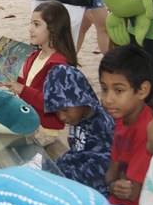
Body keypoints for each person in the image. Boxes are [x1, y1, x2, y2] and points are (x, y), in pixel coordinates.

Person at [99, 44, 153, 205]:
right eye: (104, 89)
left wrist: (115, 185)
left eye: (118, 90)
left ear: (142, 90)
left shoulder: (148, 131)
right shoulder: (123, 118)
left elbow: (133, 192)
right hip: (118, 204)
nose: (108, 99)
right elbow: (112, 172)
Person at [0, 0, 77, 137]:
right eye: (31, 23)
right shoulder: (36, 55)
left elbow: (53, 102)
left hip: (44, 131)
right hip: (29, 120)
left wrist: (22, 89)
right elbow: (33, 86)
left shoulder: (58, 65)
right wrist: (15, 80)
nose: (30, 29)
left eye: (36, 24)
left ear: (53, 28)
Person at [42, 64, 113, 196]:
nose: (62, 117)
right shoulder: (77, 119)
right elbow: (76, 153)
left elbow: (99, 169)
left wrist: (61, 175)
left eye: (64, 110)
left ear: (81, 98)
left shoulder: (102, 124)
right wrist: (53, 167)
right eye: (56, 113)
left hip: (98, 194)